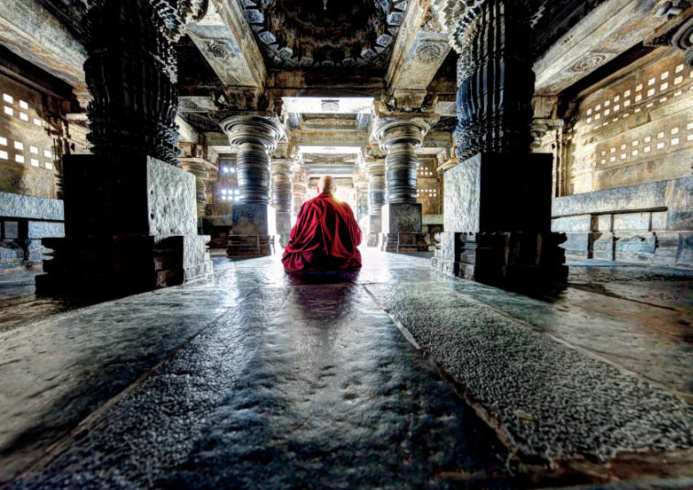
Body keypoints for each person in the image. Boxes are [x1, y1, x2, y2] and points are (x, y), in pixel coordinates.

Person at [282, 175, 362, 271]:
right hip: (340, 260)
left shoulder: (308, 205)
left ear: (317, 189)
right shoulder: (344, 207)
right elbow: (356, 237)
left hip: (311, 259)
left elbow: (295, 235)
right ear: (335, 190)